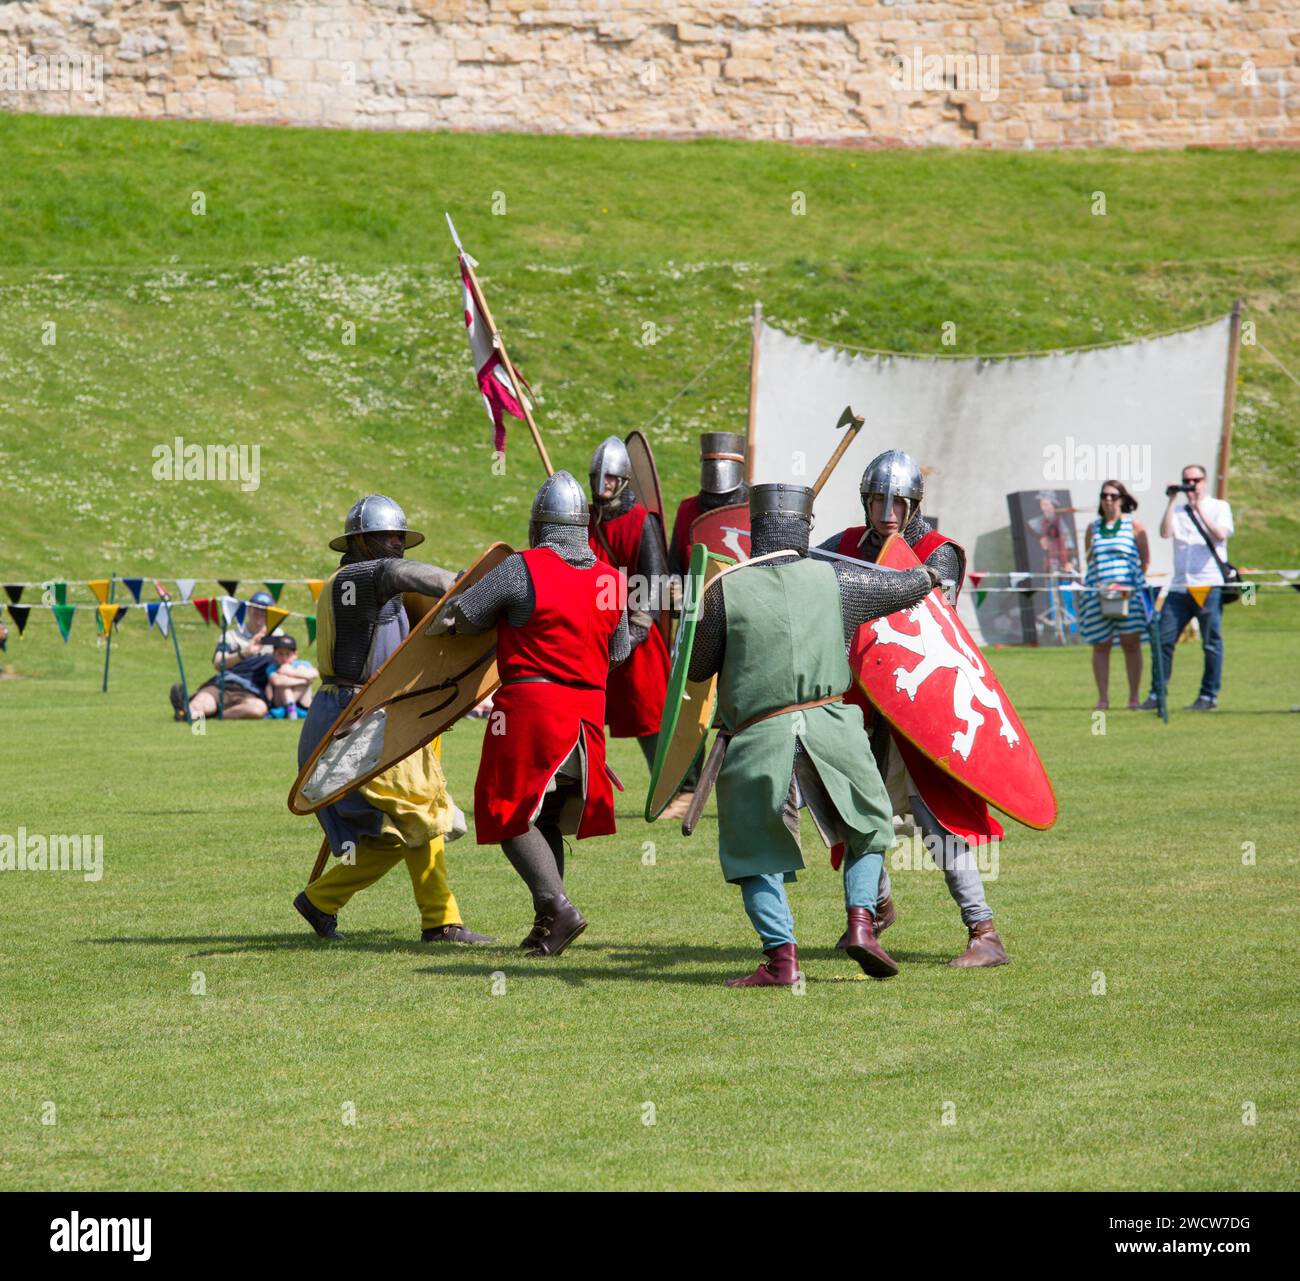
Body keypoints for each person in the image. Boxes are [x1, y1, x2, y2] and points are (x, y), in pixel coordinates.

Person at [688, 482, 940, 987]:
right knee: (869, 827)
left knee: (755, 851)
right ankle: (861, 924)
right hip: (833, 728)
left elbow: (696, 670)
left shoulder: (726, 590)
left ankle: (782, 962)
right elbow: (908, 588)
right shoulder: (839, 579)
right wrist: (932, 569)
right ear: (806, 527)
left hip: (759, 735)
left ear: (756, 530)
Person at [818, 449, 1009, 967]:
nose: (887, 511)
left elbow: (926, 624)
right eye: (877, 499)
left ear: (914, 504)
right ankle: (872, 912)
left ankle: (984, 933)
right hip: (865, 707)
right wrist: (793, 550)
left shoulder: (935, 551)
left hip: (923, 708)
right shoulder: (842, 546)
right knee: (859, 811)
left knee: (938, 822)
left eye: (897, 501)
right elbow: (806, 590)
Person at [429, 471, 630, 958]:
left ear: (538, 526)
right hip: (587, 716)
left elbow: (464, 617)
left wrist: (452, 609)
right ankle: (549, 923)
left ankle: (556, 907)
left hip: (533, 710)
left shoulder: (523, 569)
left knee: (506, 808)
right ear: (581, 525)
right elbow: (620, 651)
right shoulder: (612, 578)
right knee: (545, 819)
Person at [292, 494, 492, 945]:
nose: (396, 543)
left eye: (400, 535)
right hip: (355, 719)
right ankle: (441, 923)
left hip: (381, 715)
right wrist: (464, 585)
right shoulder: (355, 578)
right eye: (386, 535)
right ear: (360, 541)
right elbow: (395, 573)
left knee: (398, 832)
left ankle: (321, 901)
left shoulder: (385, 592)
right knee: (424, 812)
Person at [587, 435, 671, 778]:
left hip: (637, 633)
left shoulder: (640, 521)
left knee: (648, 711)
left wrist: (636, 629)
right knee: (585, 707)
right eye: (598, 477)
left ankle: (676, 783)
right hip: (594, 631)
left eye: (610, 477)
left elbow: (655, 580)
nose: (603, 484)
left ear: (622, 481)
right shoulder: (584, 518)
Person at [1139, 464, 1234, 712]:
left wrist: (1199, 510)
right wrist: (1172, 500)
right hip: (1180, 586)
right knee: (1162, 638)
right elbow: (1164, 532)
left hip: (1209, 585)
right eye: (1186, 480)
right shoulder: (1179, 510)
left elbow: (1220, 534)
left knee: (1211, 643)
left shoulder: (1219, 507)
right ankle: (1156, 693)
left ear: (1205, 481)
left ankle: (1208, 696)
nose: (1191, 485)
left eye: (1196, 480)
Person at [1078, 481, 1149, 710]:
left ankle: (1134, 697)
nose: (1108, 500)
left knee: (1131, 644)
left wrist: (1128, 585)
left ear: (1122, 499)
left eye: (1113, 496)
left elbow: (1144, 561)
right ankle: (1103, 698)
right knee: (1101, 644)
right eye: (1104, 495)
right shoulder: (1093, 528)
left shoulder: (1134, 525)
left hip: (1128, 593)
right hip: (1099, 593)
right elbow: (1090, 560)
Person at [170, 590, 282, 721]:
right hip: (223, 685)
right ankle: (190, 718)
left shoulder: (277, 637)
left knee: (258, 709)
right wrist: (244, 653)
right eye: (255, 608)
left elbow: (288, 662)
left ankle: (215, 715)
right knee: (200, 705)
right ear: (248, 609)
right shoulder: (231, 636)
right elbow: (218, 664)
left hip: (252, 693)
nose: (259, 613)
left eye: (264, 609)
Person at [667, 431, 749, 579]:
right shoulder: (687, 509)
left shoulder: (752, 509)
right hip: (696, 598)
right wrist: (676, 583)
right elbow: (675, 565)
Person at [264, 634, 318, 719]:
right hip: (280, 702)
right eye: (280, 654)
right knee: (283, 682)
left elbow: (314, 673)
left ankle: (292, 709)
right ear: (274, 654)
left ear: (295, 654)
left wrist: (290, 672)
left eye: (287, 654)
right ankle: (291, 709)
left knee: (301, 669)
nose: (284, 657)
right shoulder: (272, 667)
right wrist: (303, 681)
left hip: (303, 702)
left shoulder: (302, 664)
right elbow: (277, 681)